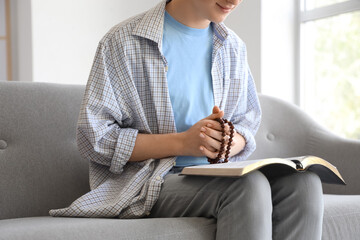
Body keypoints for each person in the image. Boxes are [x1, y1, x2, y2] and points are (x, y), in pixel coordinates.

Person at [50, 0, 324, 239]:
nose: (235, 0)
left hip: (219, 175)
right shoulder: (122, 42)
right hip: (151, 182)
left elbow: (245, 126)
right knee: (247, 188)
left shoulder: (233, 47)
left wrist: (230, 141)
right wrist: (184, 143)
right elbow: (95, 138)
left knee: (304, 183)